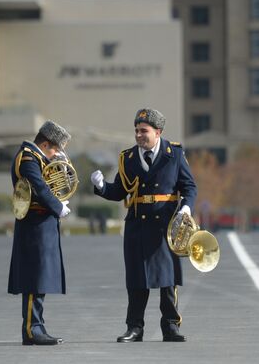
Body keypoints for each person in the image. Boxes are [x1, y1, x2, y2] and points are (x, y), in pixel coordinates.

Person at [91, 108, 197, 343]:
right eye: (137, 131)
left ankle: (171, 326)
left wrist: (187, 207)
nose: (139, 135)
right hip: (138, 225)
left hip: (166, 225)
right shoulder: (127, 158)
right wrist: (101, 187)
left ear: (158, 132)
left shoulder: (175, 153)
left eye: (144, 131)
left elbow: (189, 187)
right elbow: (119, 192)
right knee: (137, 280)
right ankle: (134, 328)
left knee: (168, 279)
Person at [8, 120, 72, 346]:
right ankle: (32, 328)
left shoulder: (36, 157)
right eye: (55, 149)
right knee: (34, 277)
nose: (56, 154)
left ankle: (37, 325)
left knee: (40, 277)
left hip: (42, 222)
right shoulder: (28, 157)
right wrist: (58, 206)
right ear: (45, 144)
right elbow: (39, 187)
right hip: (34, 222)